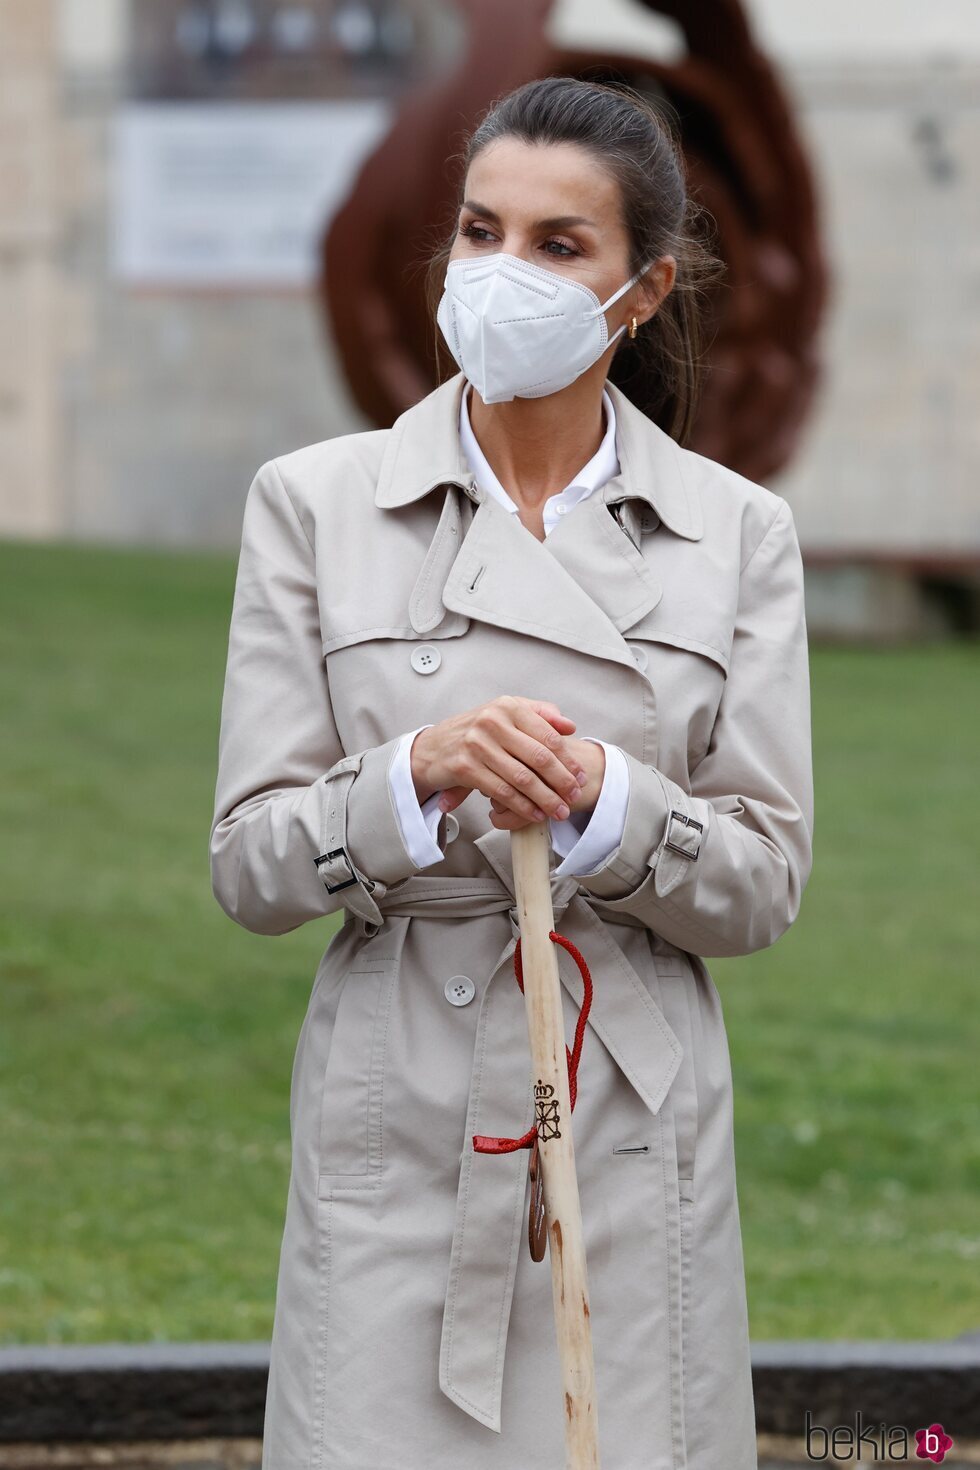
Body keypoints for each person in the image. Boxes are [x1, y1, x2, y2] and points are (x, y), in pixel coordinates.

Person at [209, 75, 814, 1470]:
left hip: (624, 1119)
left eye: (556, 245)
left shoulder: (735, 535)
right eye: (480, 232)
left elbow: (762, 885)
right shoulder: (313, 504)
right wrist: (415, 773)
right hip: (397, 1108)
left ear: (642, 288)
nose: (500, 274)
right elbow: (248, 865)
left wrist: (607, 800)